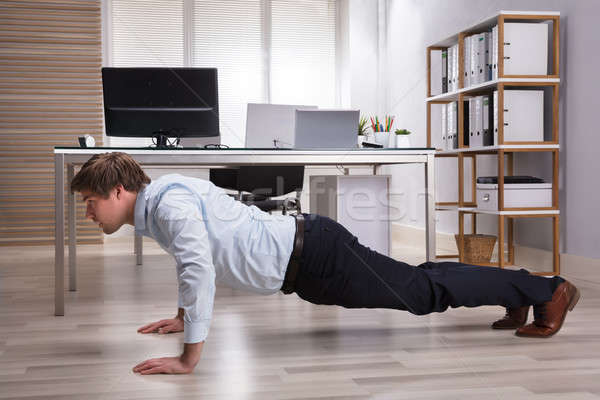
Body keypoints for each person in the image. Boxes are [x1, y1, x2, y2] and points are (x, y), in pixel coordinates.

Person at [70, 152, 580, 375]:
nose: (89, 212)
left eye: (91, 201)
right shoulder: (160, 203)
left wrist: (189, 357)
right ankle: (521, 291)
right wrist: (183, 316)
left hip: (314, 256)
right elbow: (193, 261)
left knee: (422, 293)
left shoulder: (169, 203)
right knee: (421, 281)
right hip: (309, 257)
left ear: (118, 190)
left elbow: (198, 266)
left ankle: (546, 290)